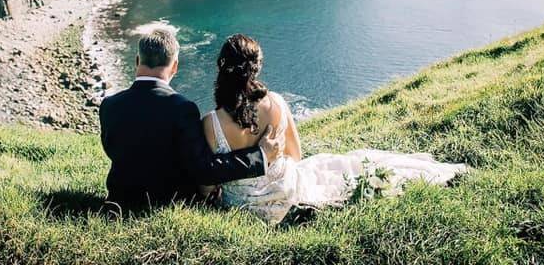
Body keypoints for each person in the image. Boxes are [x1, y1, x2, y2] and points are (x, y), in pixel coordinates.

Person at [201, 34, 468, 224]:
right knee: (341, 168)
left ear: (222, 69)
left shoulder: (211, 123)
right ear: (256, 68)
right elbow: (295, 155)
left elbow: (207, 183)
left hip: (241, 209)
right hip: (286, 194)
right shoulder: (277, 104)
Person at [98, 28, 283, 212]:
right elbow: (204, 170)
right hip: (167, 204)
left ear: (137, 61)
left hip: (121, 201)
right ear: (175, 66)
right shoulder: (182, 109)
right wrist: (260, 156)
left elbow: (113, 149)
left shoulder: (109, 105)